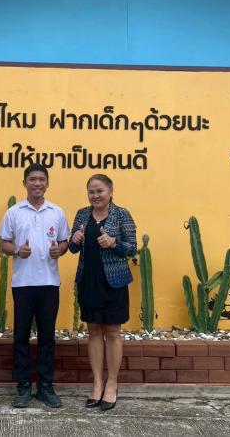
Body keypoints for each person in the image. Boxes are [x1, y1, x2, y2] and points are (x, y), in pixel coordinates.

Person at [0, 164, 70, 408]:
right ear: (24, 183)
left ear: (47, 183)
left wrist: (60, 250)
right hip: (23, 284)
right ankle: (23, 386)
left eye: (41, 179)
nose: (37, 183)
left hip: (49, 283)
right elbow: (4, 244)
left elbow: (64, 242)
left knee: (47, 336)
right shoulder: (14, 212)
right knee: (21, 336)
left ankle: (45, 386)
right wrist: (18, 250)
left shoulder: (57, 212)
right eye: (32, 179)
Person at [69, 174, 137, 411]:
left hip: (114, 283)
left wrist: (114, 243)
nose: (95, 196)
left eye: (100, 191)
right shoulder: (82, 214)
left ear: (110, 191)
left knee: (113, 332)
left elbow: (132, 248)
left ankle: (112, 384)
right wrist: (74, 239)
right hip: (89, 281)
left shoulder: (122, 215)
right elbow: (73, 248)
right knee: (94, 332)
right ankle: (97, 383)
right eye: (91, 191)